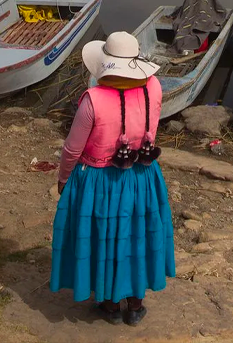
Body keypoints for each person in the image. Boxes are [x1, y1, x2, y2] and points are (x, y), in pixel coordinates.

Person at [50, 32, 175, 326]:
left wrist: (63, 178)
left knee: (104, 236)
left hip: (99, 181)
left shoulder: (92, 100)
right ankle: (134, 306)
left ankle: (108, 305)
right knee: (136, 235)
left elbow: (72, 148)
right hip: (142, 175)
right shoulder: (153, 87)